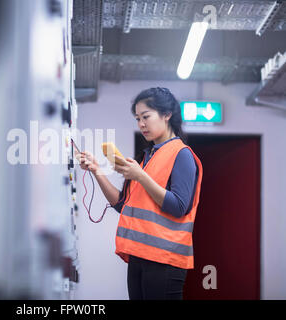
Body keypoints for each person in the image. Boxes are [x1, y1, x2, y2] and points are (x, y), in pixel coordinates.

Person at [77, 87, 203, 300]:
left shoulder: (182, 155)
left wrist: (141, 176)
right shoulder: (148, 157)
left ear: (167, 115)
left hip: (165, 260)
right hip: (140, 256)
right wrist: (97, 170)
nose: (141, 124)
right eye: (137, 118)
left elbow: (179, 207)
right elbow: (121, 204)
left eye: (146, 116)